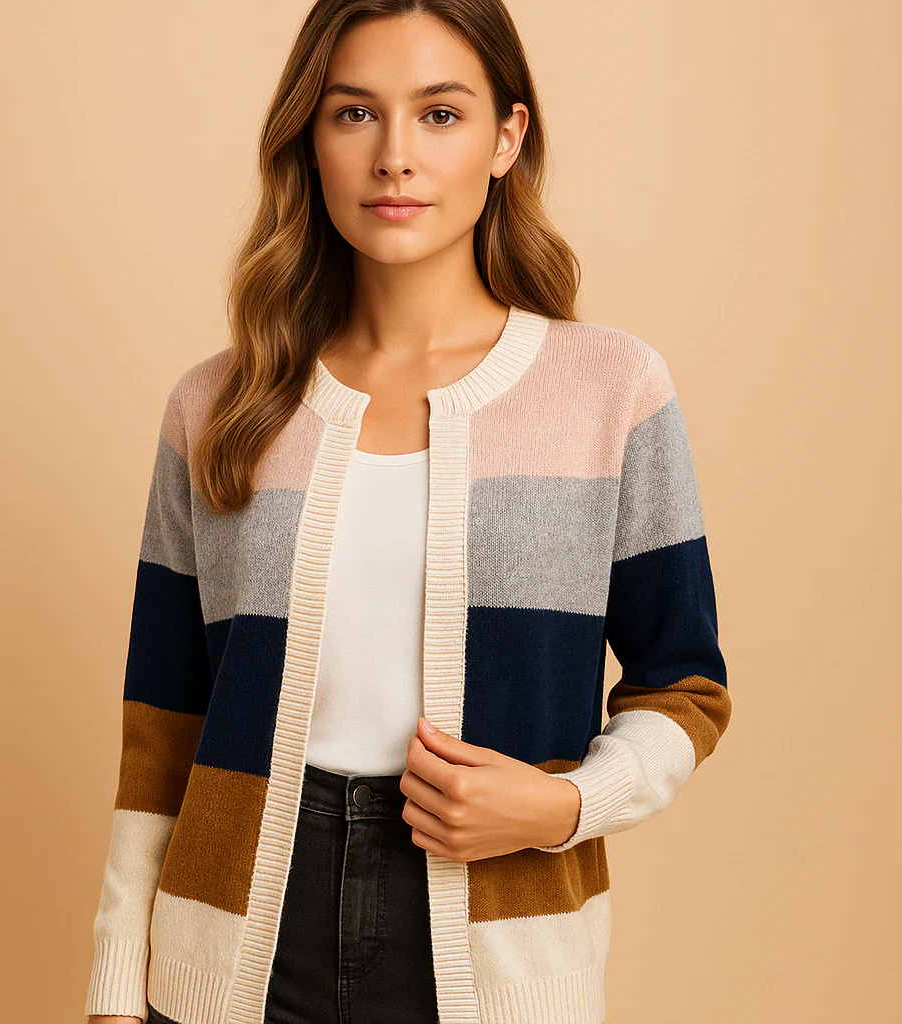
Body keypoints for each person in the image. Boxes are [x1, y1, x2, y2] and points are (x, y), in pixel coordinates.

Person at [84, 2, 732, 1023]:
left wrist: (564, 804)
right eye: (354, 113)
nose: (394, 156)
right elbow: (162, 726)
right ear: (310, 140)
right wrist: (119, 980)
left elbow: (686, 687)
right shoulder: (217, 405)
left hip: (498, 937)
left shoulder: (611, 391)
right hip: (234, 941)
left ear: (505, 139)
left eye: (439, 114)